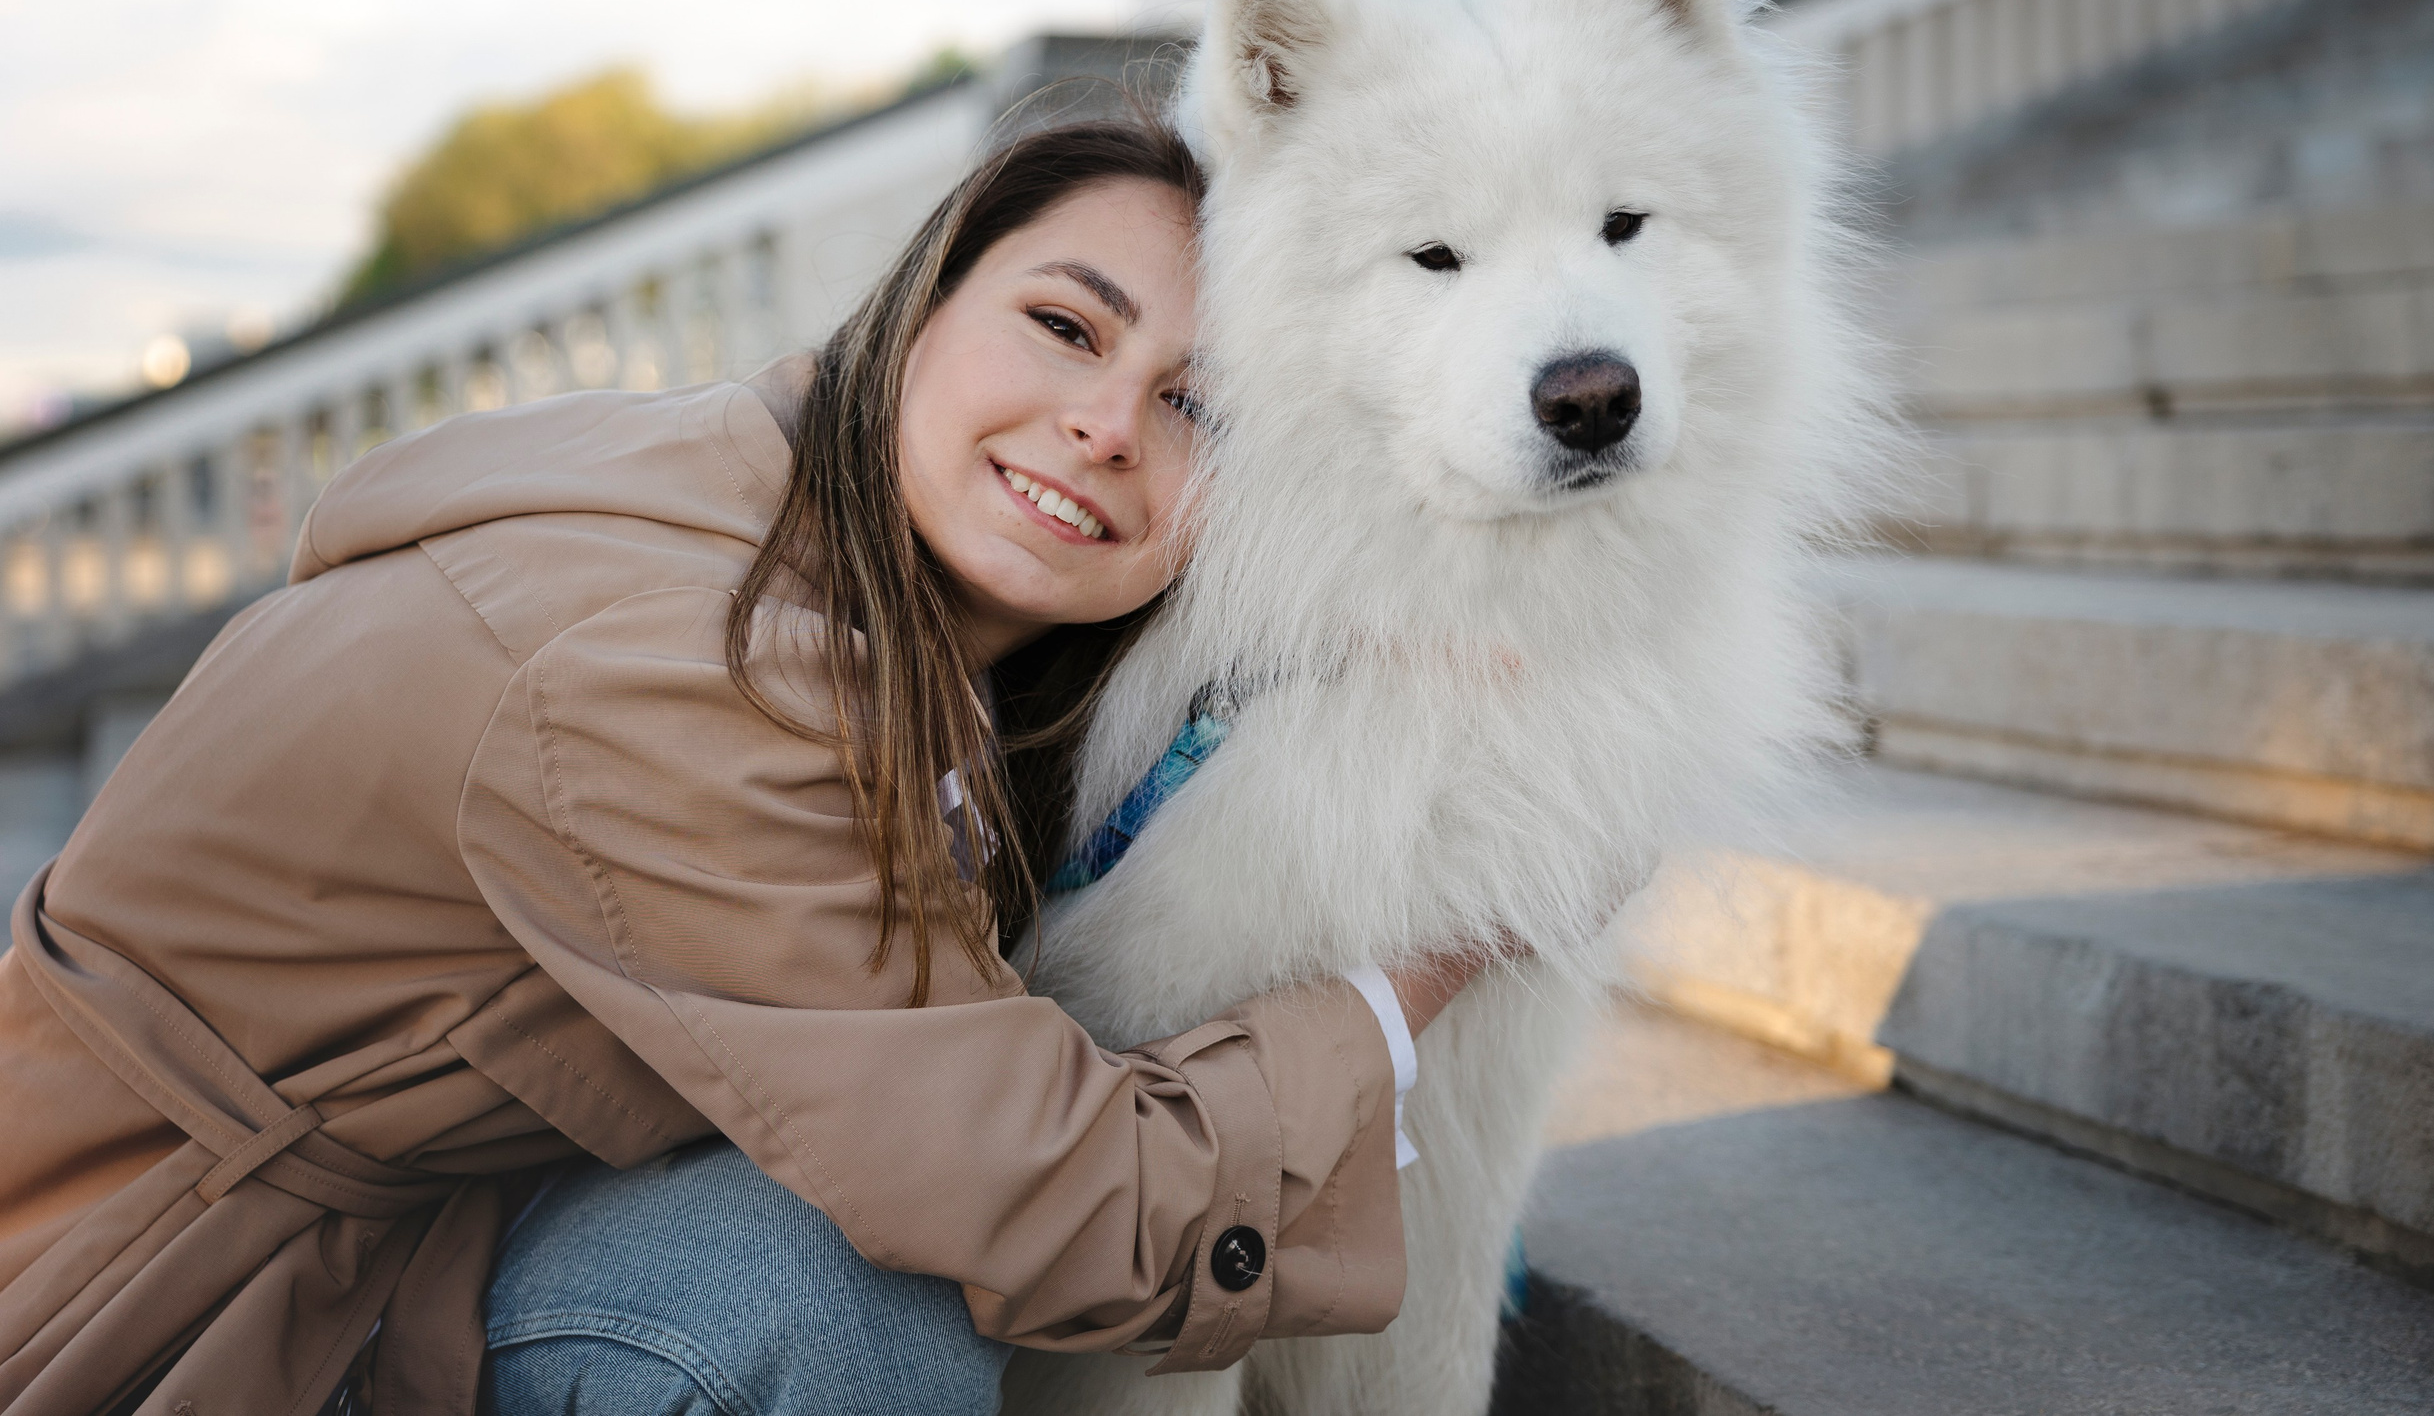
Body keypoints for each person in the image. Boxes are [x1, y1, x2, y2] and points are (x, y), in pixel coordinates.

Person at [0, 118, 1487, 1416]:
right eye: (1065, 327)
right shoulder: (692, 678)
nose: (1107, 427)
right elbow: (1052, 1195)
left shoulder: (784, 511)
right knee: (834, 1291)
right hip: (157, 1303)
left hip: (419, 1220)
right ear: (921, 305)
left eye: (1200, 406)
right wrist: (1422, 971)